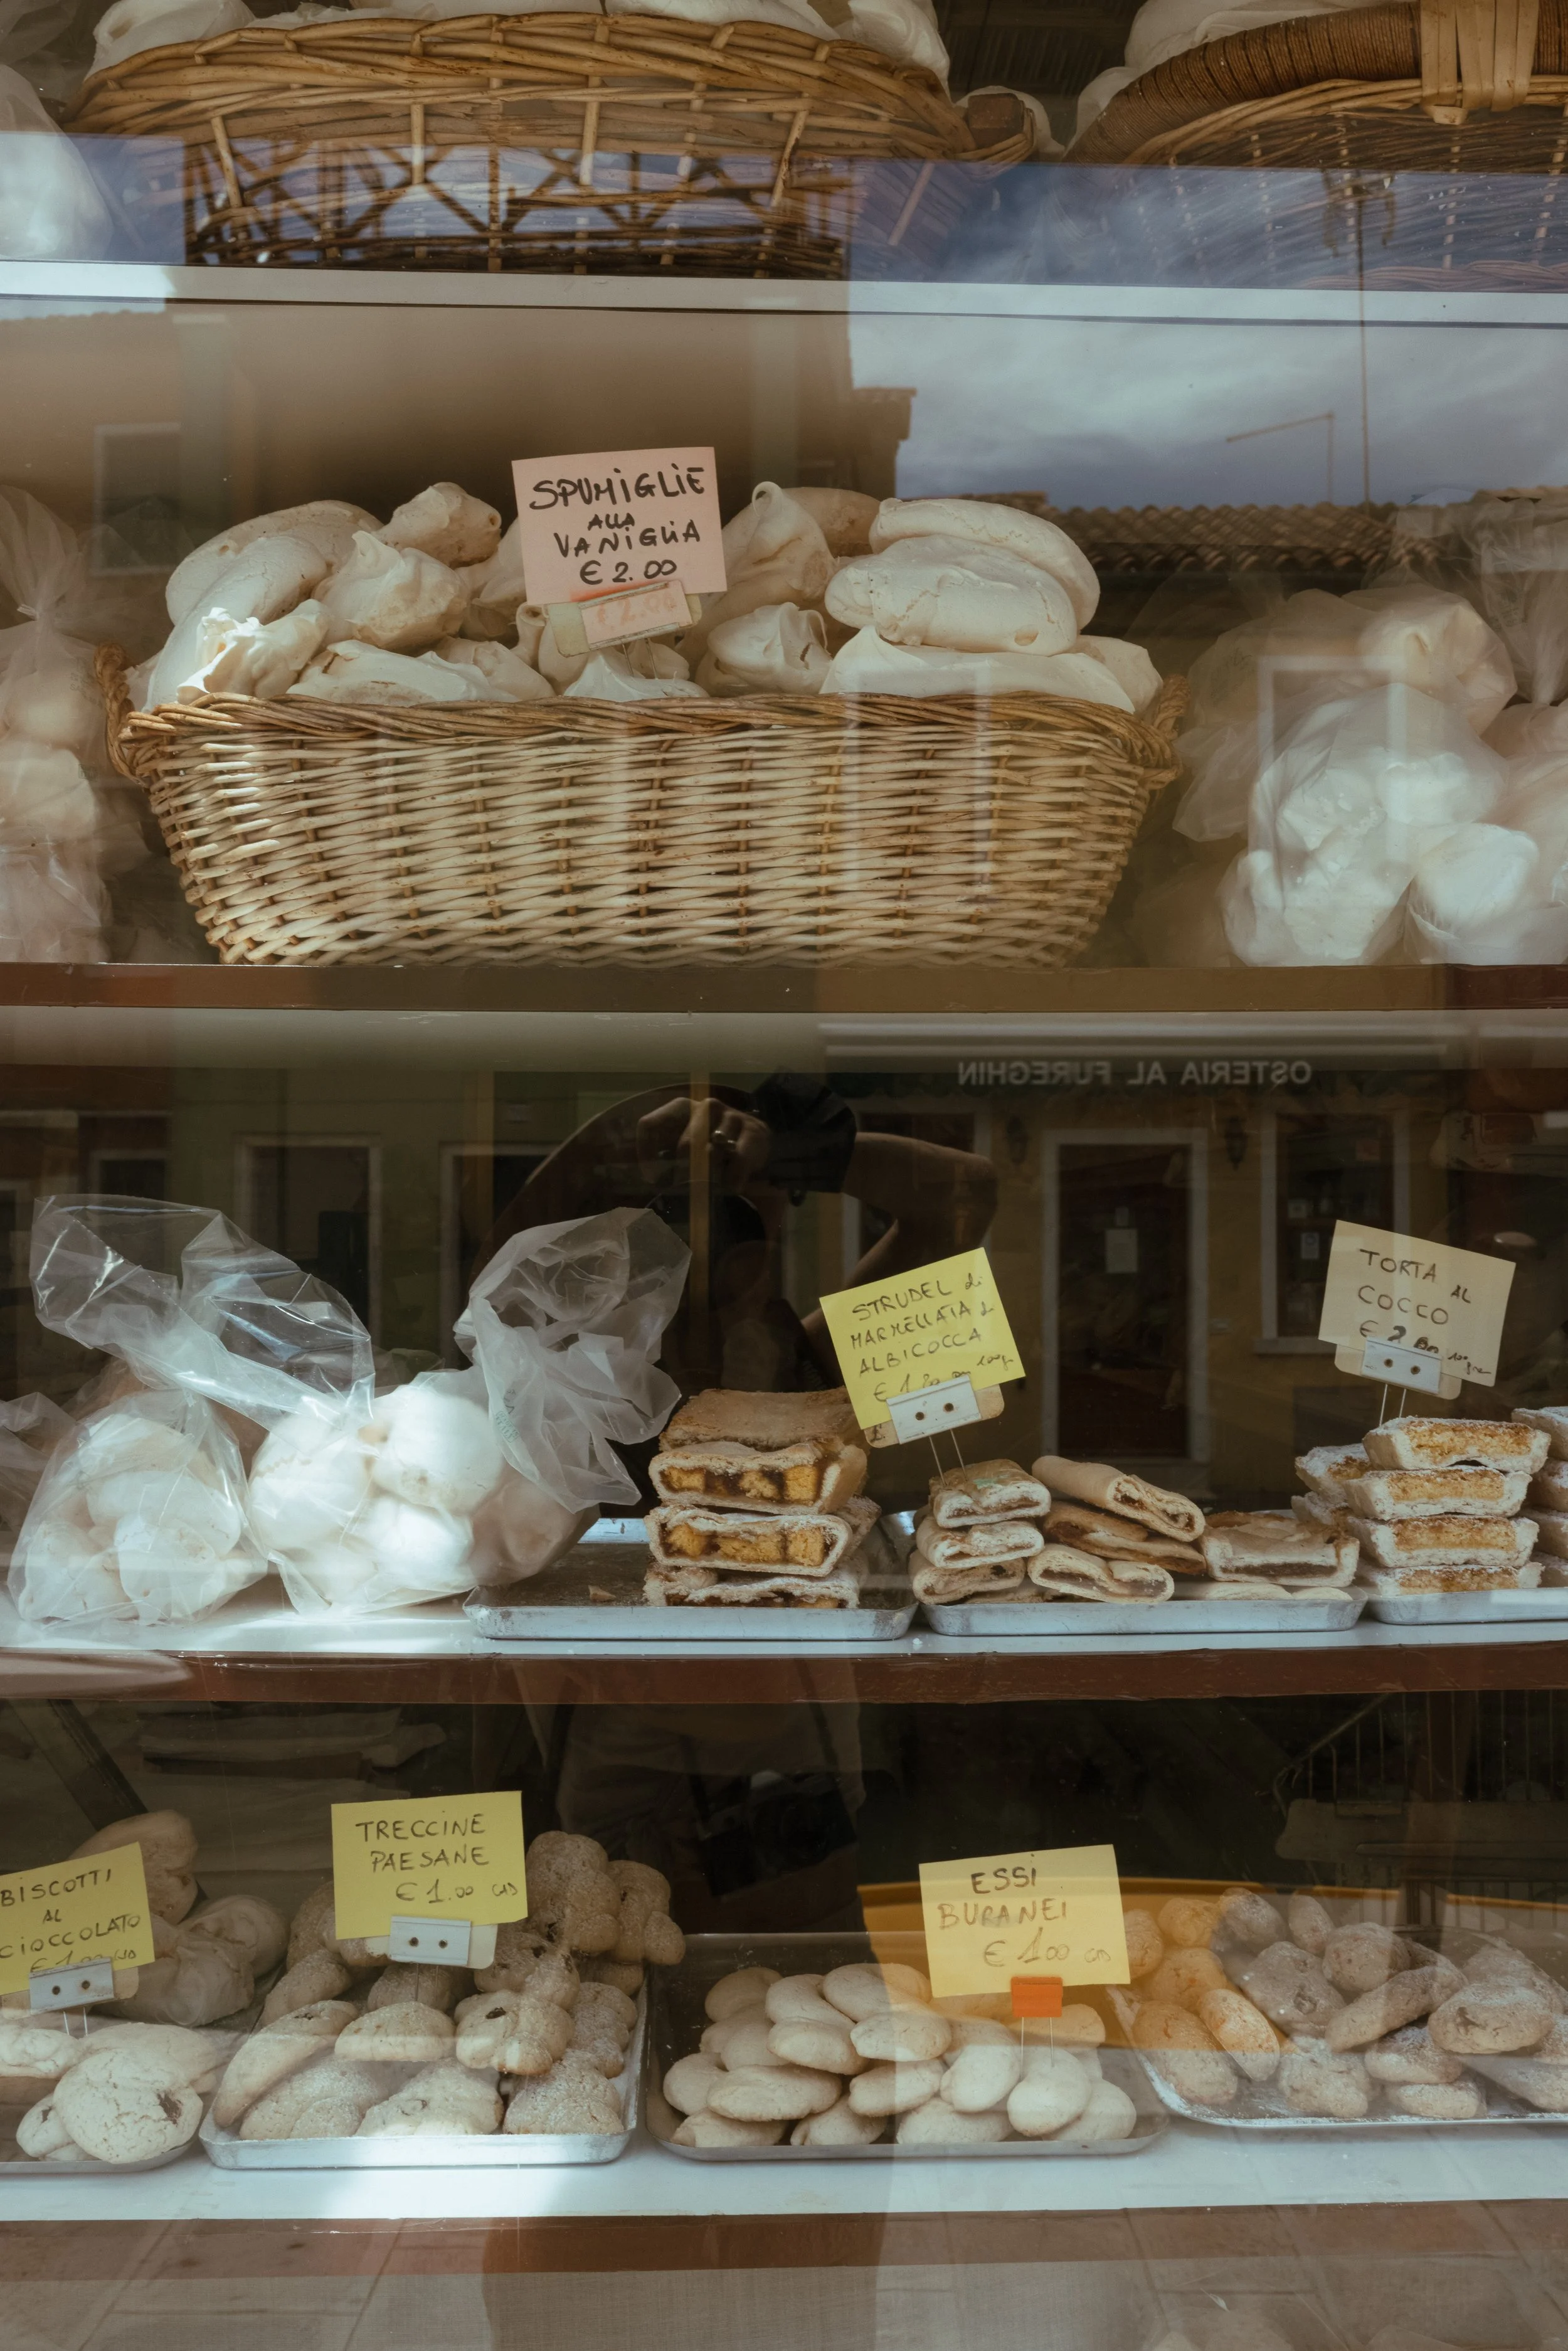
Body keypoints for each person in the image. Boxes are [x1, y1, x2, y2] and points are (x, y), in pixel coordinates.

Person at [484, 1072, 998, 1398]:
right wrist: (603, 1162)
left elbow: (966, 1192)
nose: (711, 1246)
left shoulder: (809, 1365)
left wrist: (788, 1154)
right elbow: (492, 1292)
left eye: (734, 1221)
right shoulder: (565, 1390)